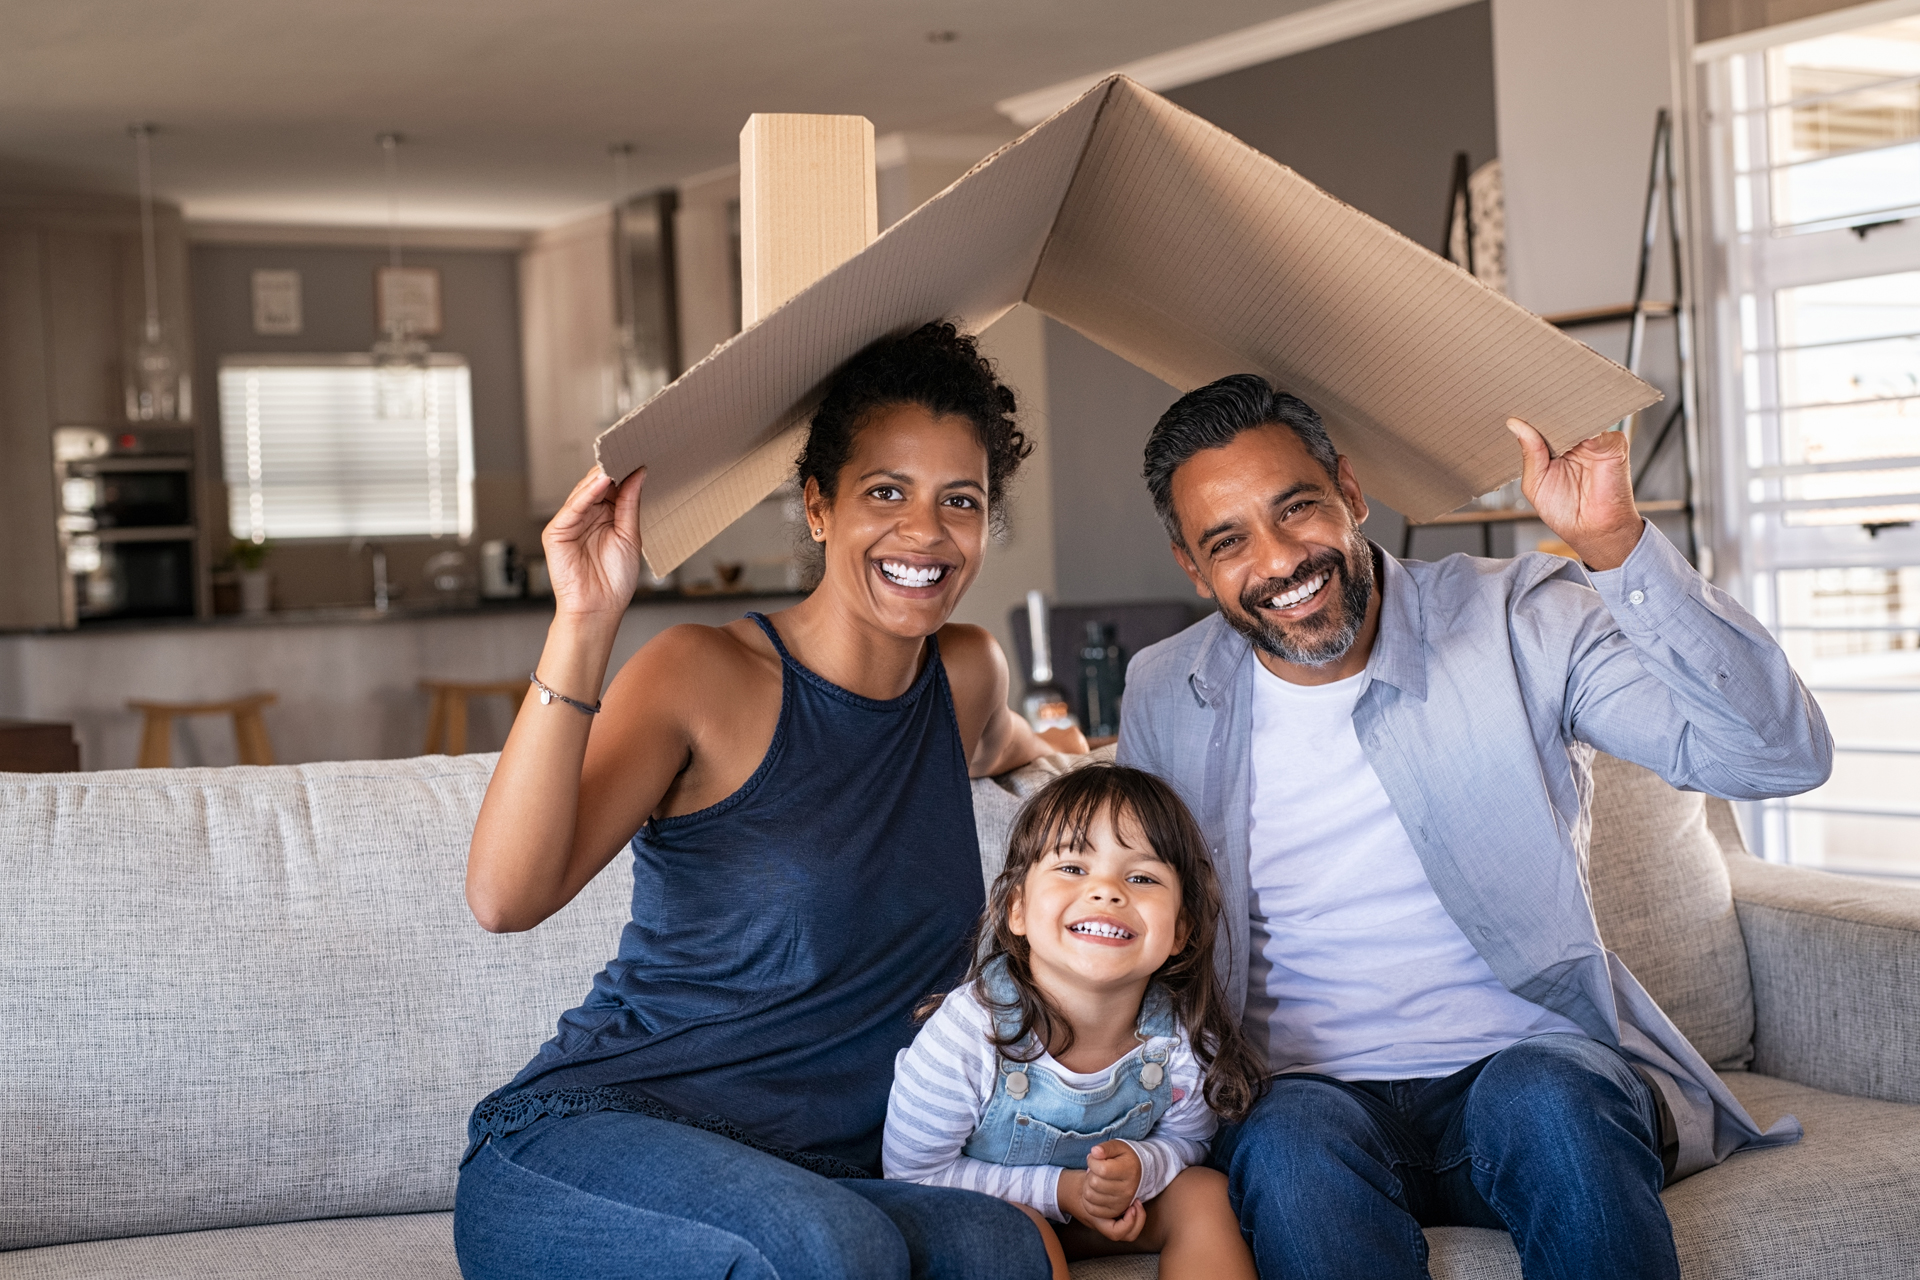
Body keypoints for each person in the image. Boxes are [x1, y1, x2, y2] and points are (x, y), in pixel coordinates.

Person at [1116, 375, 1832, 1280]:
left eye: (1296, 509)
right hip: (1308, 1104)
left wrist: (1615, 544)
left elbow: (1779, 759)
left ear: (1350, 491)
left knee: (1546, 1098)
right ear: (1192, 565)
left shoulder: (1520, 618)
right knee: (1286, 1140)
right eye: (1229, 541)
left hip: (1531, 1071)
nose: (1280, 560)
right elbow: (1136, 917)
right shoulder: (1163, 689)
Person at [453, 322, 1082, 1280]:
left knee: (1007, 1251)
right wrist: (585, 619)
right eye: (886, 492)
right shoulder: (703, 675)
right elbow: (505, 897)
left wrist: (1077, 760)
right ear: (818, 507)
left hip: (818, 1173)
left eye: (960, 501)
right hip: (599, 1139)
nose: (925, 532)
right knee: (832, 1250)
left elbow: (1016, 748)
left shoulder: (964, 676)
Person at [884, 763, 1263, 1280]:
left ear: (1180, 931)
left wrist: (1140, 1165)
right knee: (1024, 1230)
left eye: (1141, 877)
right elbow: (912, 1178)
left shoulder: (1177, 1041)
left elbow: (1189, 1142)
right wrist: (1062, 1193)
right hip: (988, 1216)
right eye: (1073, 869)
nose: (1107, 891)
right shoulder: (969, 1033)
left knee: (1205, 1193)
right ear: (1016, 910)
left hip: (1108, 1217)